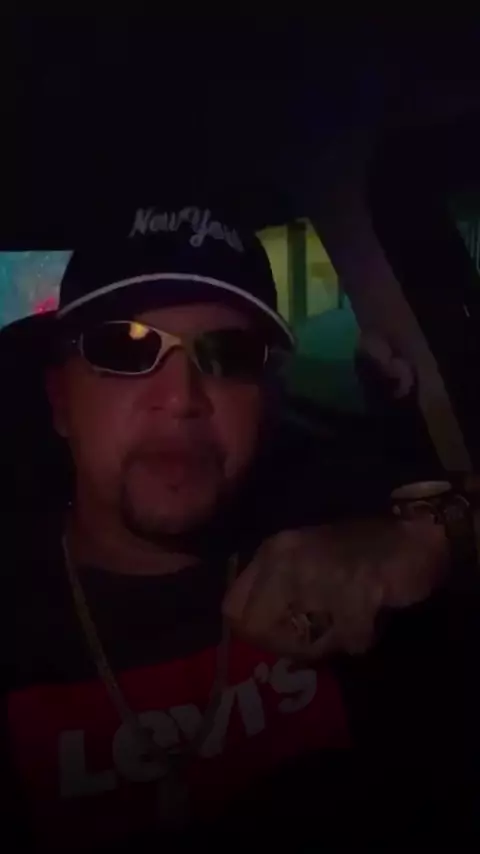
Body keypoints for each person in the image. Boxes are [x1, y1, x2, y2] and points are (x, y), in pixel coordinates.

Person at [3, 204, 475, 851]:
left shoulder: (331, 509)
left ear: (266, 399)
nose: (182, 398)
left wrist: (434, 538)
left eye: (228, 354)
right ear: (60, 402)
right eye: (126, 347)